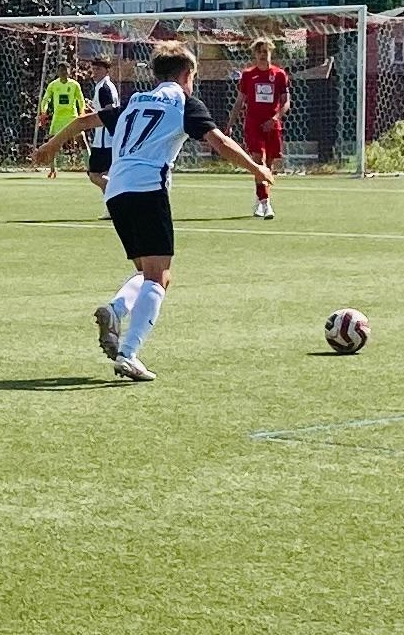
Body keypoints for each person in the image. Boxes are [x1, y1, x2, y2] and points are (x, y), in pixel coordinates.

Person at [33, 41, 275, 382]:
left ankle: (116, 310)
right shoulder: (184, 102)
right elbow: (220, 142)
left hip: (116, 191)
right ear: (187, 74)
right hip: (147, 189)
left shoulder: (135, 101)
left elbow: (85, 121)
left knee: (148, 272)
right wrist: (256, 169)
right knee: (159, 277)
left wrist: (50, 145)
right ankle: (128, 354)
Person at [228, 37, 290, 219]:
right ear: (255, 54)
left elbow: (286, 102)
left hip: (271, 125)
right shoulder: (248, 75)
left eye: (266, 51)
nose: (263, 55)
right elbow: (240, 101)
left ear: (270, 53)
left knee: (268, 166)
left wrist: (275, 118)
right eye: (259, 52)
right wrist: (230, 124)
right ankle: (266, 204)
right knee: (258, 161)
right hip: (253, 125)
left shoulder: (279, 75)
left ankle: (259, 200)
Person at [36, 61, 86, 179]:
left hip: (72, 117)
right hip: (58, 118)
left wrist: (82, 112)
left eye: (65, 70)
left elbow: (81, 100)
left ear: (69, 71)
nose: (63, 72)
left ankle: (90, 167)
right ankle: (52, 170)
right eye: (61, 70)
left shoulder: (74, 85)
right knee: (51, 143)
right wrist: (43, 111)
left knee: (82, 140)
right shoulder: (53, 85)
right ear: (58, 72)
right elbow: (46, 99)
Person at [85, 56, 119, 216]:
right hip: (105, 138)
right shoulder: (104, 86)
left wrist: (93, 116)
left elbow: (109, 110)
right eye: (93, 69)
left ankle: (117, 194)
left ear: (106, 70)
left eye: (98, 69)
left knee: (94, 175)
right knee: (103, 174)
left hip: (105, 139)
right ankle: (111, 208)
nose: (95, 72)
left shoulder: (104, 87)